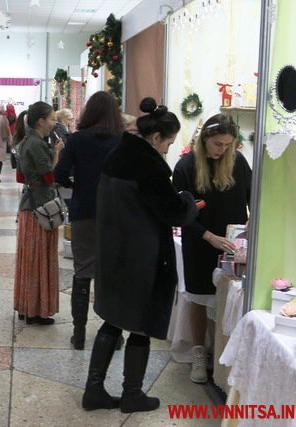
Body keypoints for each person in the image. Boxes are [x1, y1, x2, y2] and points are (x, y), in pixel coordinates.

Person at [82, 97, 197, 413]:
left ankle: (93, 390)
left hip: (114, 253)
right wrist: (187, 199)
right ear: (156, 137)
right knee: (141, 325)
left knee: (113, 321)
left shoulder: (118, 155)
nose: (168, 150)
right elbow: (174, 212)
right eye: (169, 143)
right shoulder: (149, 167)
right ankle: (132, 394)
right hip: (141, 258)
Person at [173, 113, 251, 384]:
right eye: (218, 144)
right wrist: (208, 236)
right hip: (199, 242)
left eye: (228, 145)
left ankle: (222, 354)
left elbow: (254, 195)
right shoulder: (186, 167)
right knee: (198, 297)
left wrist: (252, 220)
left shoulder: (238, 162)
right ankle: (199, 352)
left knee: (229, 297)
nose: (223, 149)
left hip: (232, 244)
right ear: (205, 138)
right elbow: (179, 213)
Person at [54, 91, 123, 350]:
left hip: (84, 211)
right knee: (113, 275)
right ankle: (114, 334)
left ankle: (79, 334)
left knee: (83, 272)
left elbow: (60, 173)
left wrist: (76, 183)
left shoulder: (77, 139)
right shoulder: (122, 140)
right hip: (115, 215)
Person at [13, 102, 64, 325]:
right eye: (52, 119)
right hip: (42, 208)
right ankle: (36, 309)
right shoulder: (38, 144)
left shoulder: (25, 141)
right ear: (41, 121)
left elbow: (20, 177)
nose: (55, 122)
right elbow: (49, 176)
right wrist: (57, 154)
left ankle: (26, 305)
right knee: (41, 259)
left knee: (29, 260)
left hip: (28, 205)